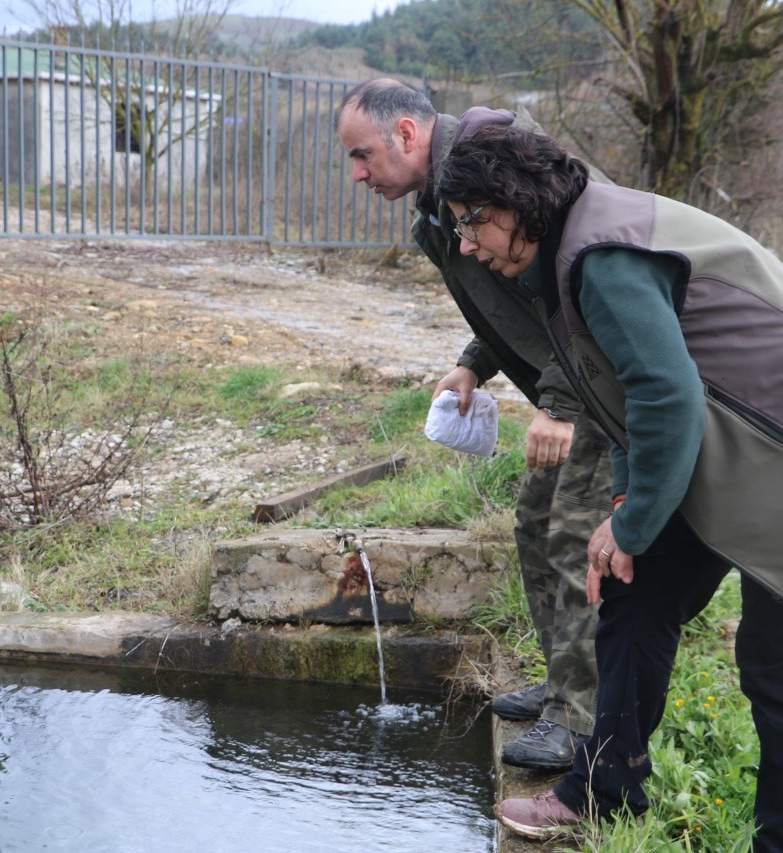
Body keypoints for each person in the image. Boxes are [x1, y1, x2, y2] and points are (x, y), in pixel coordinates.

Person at [436, 123, 783, 851]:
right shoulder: (565, 255)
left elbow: (668, 401)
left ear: (516, 201)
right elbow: (630, 398)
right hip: (746, 435)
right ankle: (604, 789)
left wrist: (627, 523)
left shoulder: (602, 258)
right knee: (636, 583)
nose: (466, 245)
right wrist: (631, 508)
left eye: (473, 222)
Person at [335, 79, 613, 771]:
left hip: (606, 382)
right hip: (571, 384)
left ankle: (581, 721)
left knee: (574, 534)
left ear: (405, 133)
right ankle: (562, 683)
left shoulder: (503, 166)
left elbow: (575, 290)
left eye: (363, 154)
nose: (357, 174)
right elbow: (506, 294)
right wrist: (472, 364)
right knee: (534, 522)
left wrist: (560, 405)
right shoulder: (439, 212)